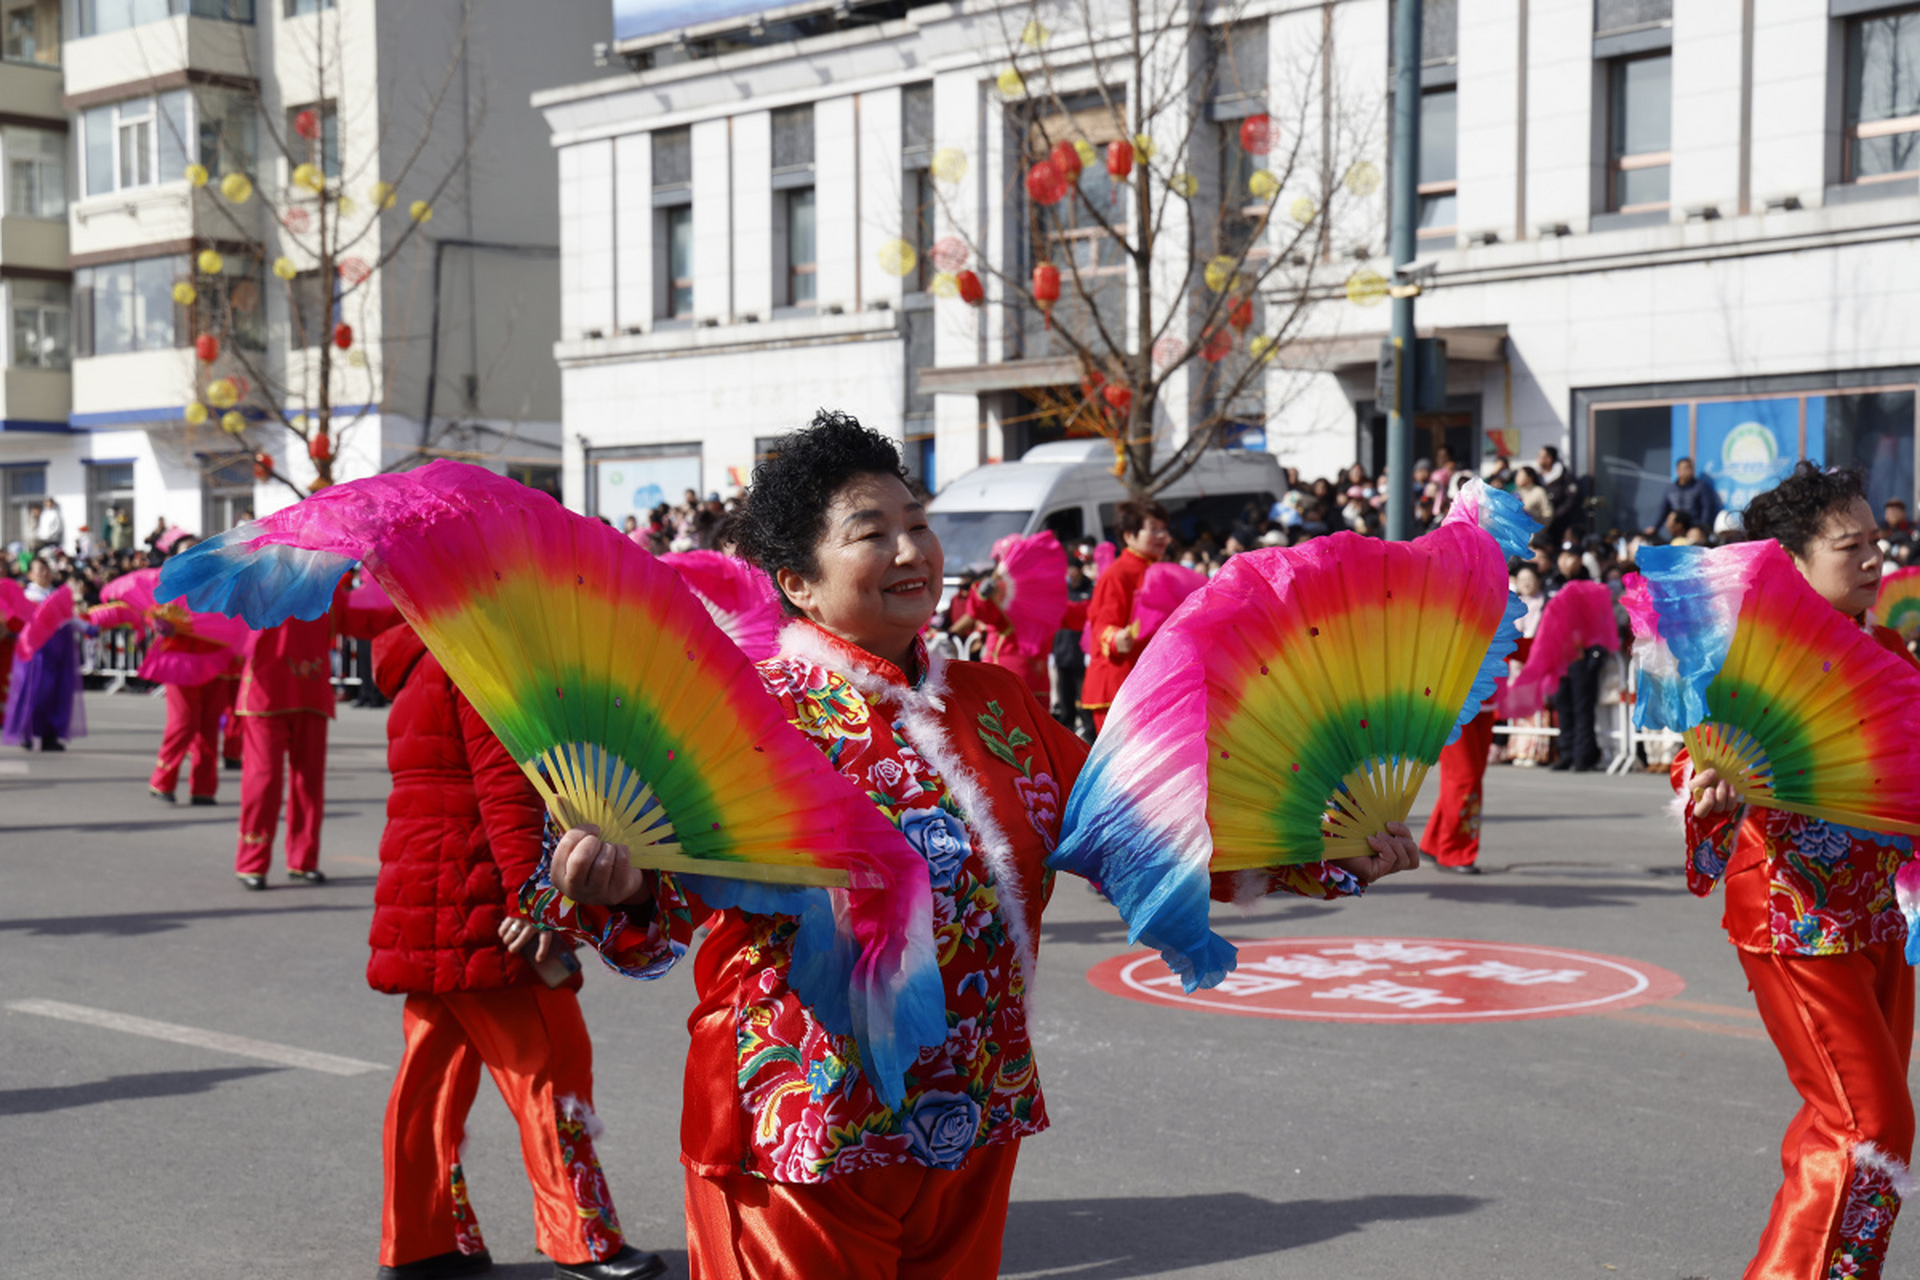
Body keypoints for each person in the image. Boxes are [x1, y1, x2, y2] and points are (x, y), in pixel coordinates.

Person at [523, 411, 1420, 1280]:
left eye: (918, 523)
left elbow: (1140, 830)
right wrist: (619, 883)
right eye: (873, 533)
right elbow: (665, 901)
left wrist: (1326, 852)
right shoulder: (745, 712)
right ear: (796, 581)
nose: (912, 552)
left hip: (972, 1108)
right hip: (801, 1118)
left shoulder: (999, 703)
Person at [1677, 463, 1914, 1279]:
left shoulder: (1885, 650)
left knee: (1856, 1127)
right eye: (1853, 547)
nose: (1877, 561)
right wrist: (1711, 793)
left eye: (1879, 543)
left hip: (1879, 915)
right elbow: (1698, 771)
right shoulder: (1753, 659)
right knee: (1869, 1123)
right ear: (1795, 564)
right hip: (1796, 920)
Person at [368, 624, 663, 1280]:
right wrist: (534, 908)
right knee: (550, 1060)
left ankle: (417, 1240)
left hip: (428, 895)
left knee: (429, 1079)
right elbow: (507, 799)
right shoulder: (478, 655)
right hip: (481, 897)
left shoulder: (418, 650)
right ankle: (579, 1236)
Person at [234, 580, 346, 890]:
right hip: (265, 693)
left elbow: (350, 618)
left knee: (309, 781)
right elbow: (230, 625)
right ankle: (252, 860)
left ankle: (303, 859)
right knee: (263, 779)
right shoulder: (257, 576)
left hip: (311, 689)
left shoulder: (330, 580)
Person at [1079, 499, 1170, 732]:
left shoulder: (1158, 570)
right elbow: (1102, 625)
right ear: (1129, 536)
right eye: (1154, 529)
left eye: (1164, 529)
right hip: (1119, 687)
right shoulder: (1118, 574)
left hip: (1147, 681)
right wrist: (1115, 637)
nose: (1162, 536)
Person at [2, 557, 85, 752]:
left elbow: (72, 619)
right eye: (40, 570)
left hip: (60, 649)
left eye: (46, 569)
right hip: (36, 651)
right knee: (34, 692)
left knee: (58, 692)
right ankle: (27, 732)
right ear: (30, 574)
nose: (45, 573)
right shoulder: (26, 597)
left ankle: (51, 735)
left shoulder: (58, 595)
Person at [1651, 456, 1719, 539]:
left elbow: (1707, 509)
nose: (1689, 470)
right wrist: (1655, 528)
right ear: (1678, 471)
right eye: (1686, 468)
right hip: (1677, 529)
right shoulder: (1671, 489)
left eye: (1690, 467)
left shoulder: (1701, 487)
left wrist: (1702, 528)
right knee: (1672, 517)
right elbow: (1663, 510)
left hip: (1694, 528)